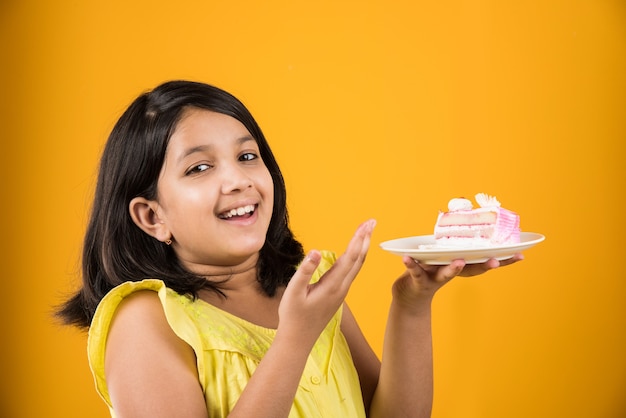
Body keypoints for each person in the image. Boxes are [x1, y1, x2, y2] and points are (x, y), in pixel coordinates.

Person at [56, 80, 522, 418]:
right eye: (199, 168)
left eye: (246, 156)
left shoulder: (307, 286)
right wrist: (296, 337)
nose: (239, 179)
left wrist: (413, 303)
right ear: (152, 217)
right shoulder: (145, 320)